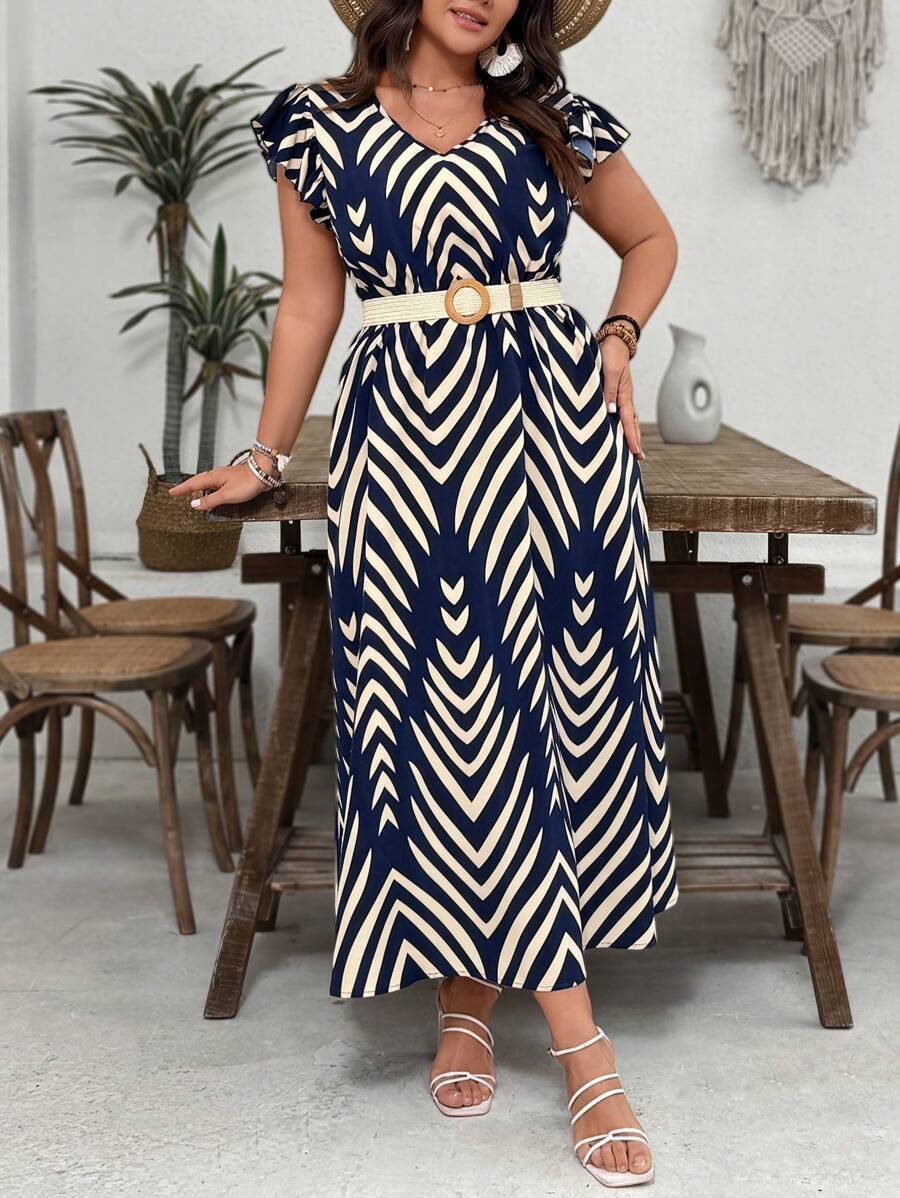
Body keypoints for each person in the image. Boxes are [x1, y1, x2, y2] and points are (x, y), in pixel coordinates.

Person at [171, 0, 679, 1187]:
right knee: (448, 721)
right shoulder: (316, 127)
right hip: (405, 443)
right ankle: (521, 1020)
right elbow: (311, 302)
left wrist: (616, 336)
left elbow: (651, 240)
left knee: (547, 720)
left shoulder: (548, 118)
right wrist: (264, 453)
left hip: (554, 438)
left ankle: (520, 1019)